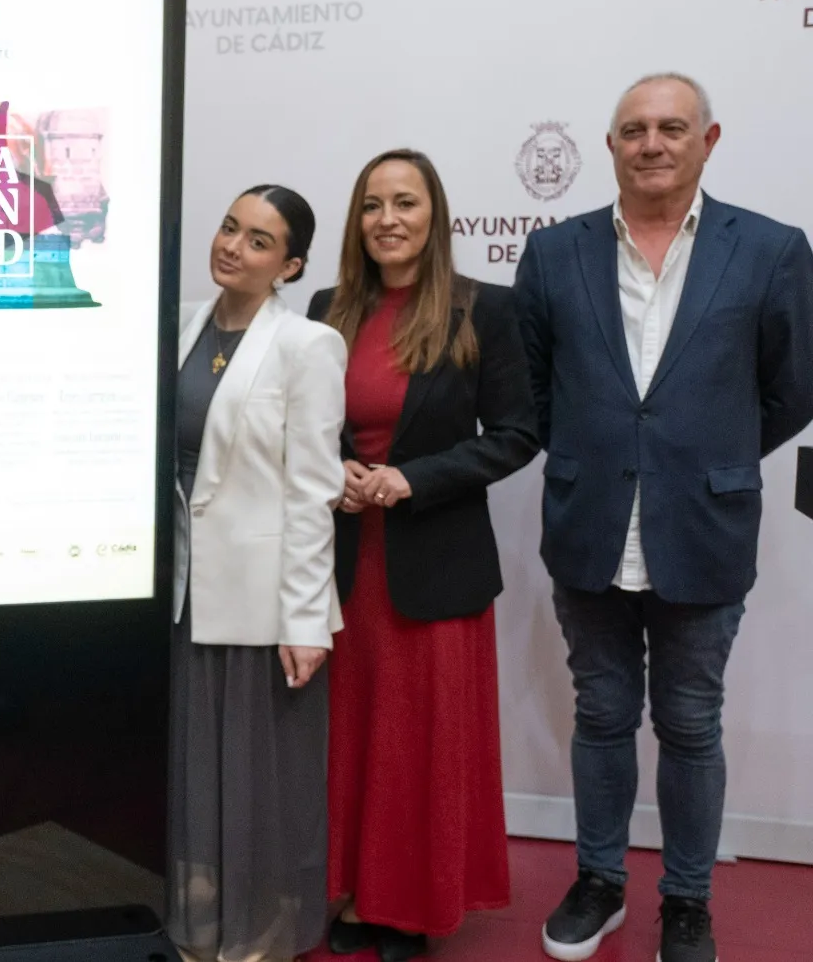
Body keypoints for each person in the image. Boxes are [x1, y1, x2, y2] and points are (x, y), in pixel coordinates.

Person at [515, 73, 813, 962]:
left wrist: (707, 454)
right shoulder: (553, 252)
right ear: (609, 145)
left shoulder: (769, 249)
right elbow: (535, 386)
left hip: (704, 529)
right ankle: (600, 880)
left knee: (691, 724)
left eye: (671, 128)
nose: (652, 143)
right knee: (601, 715)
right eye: (633, 129)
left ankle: (687, 901)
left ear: (707, 141)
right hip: (588, 524)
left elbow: (794, 388)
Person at [308, 149, 538, 962]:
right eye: (372, 205)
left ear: (434, 215)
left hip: (434, 562)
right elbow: (301, 425)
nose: (388, 220)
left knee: (420, 744)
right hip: (340, 562)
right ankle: (355, 891)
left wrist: (414, 479)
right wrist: (326, 468)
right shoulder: (324, 308)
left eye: (405, 203)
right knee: (352, 737)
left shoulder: (485, 310)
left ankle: (410, 905)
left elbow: (517, 435)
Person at [167, 184, 346, 962]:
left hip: (261, 601)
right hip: (179, 593)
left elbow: (314, 491)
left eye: (259, 240)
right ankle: (201, 915)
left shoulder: (307, 346)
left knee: (259, 784)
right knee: (194, 772)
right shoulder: (179, 328)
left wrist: (306, 620)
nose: (232, 246)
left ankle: (263, 929)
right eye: (230, 227)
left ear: (291, 265)